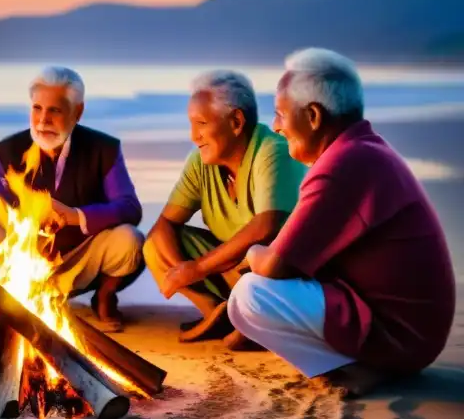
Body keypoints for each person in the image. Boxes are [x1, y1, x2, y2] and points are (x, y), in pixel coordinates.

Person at [229, 48, 456, 397]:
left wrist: (251, 253)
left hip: (399, 335)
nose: (275, 126)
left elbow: (275, 266)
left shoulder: (343, 165)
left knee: (250, 295)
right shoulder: (363, 150)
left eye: (280, 114)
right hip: (413, 330)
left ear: (314, 116)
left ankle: (361, 368)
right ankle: (357, 362)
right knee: (246, 298)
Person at [0, 66, 144, 329]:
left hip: (83, 257)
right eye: (37, 108)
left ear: (77, 112)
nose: (42, 120)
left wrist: (74, 216)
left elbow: (129, 208)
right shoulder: (8, 149)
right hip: (27, 256)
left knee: (130, 240)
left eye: (55, 110)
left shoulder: (103, 149)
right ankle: (13, 301)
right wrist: (29, 216)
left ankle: (104, 297)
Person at [143, 70, 305, 347]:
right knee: (154, 245)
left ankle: (251, 322)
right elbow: (164, 225)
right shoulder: (200, 162)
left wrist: (197, 268)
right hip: (230, 269)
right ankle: (215, 312)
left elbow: (266, 226)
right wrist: (183, 270)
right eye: (191, 124)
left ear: (236, 122)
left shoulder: (273, 149)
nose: (194, 136)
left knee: (261, 256)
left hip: (278, 274)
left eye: (201, 123)